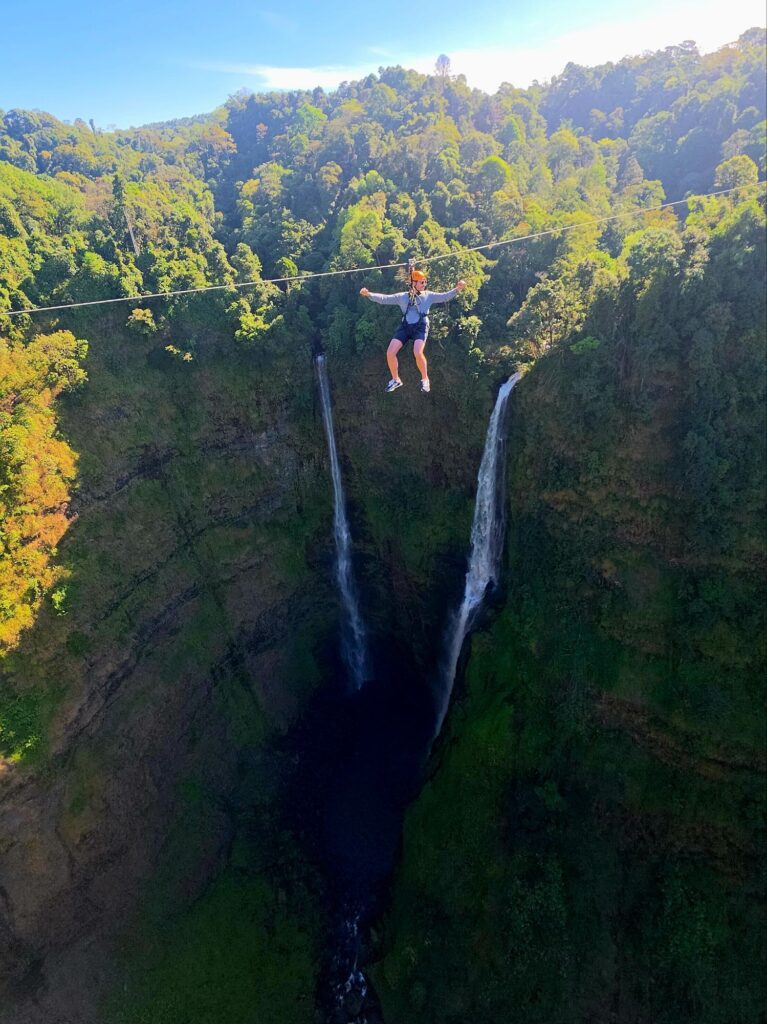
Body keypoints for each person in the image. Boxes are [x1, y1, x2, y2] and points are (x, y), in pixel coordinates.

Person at [360, 270, 466, 393]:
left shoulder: (428, 295)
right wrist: (369, 294)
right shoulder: (402, 297)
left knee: (417, 352)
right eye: (421, 282)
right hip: (405, 326)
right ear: (413, 283)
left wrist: (458, 288)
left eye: (425, 282)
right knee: (390, 352)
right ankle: (396, 380)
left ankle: (425, 379)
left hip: (421, 326)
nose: (424, 284)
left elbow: (445, 297)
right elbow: (384, 299)